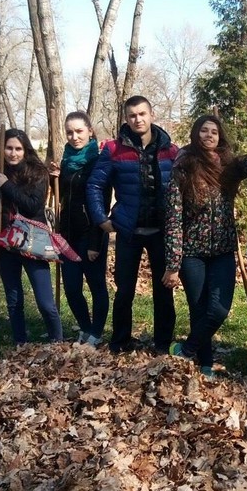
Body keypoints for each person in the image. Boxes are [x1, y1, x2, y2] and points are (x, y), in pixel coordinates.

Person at [162, 98, 247, 377]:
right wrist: (173, 263)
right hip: (192, 252)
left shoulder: (230, 166)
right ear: (195, 134)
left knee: (220, 308)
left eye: (214, 131)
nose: (209, 135)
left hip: (223, 250)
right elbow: (174, 217)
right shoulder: (183, 166)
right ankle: (206, 364)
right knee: (199, 309)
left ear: (219, 136)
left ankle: (187, 349)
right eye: (203, 131)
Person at [86, 96, 178, 354]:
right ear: (126, 119)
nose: (138, 119)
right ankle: (120, 342)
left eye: (142, 114)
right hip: (128, 231)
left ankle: (162, 343)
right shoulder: (114, 149)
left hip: (161, 232)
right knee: (124, 290)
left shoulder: (170, 150)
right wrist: (101, 218)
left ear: (152, 115)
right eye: (132, 115)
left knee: (164, 291)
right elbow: (95, 185)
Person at [0, 128, 63, 346]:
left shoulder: (38, 173)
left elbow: (31, 206)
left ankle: (57, 342)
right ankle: (21, 343)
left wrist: (6, 185)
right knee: (14, 299)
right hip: (7, 243)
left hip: (33, 241)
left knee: (45, 301)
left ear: (25, 149)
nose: (13, 153)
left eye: (18, 148)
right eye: (8, 148)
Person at [52, 111, 109, 346]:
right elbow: (65, 196)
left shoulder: (99, 161)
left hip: (90, 233)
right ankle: (85, 327)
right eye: (69, 132)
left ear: (90, 131)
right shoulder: (66, 161)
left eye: (79, 131)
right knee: (72, 288)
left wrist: (96, 242)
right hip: (68, 234)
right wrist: (53, 178)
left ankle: (97, 331)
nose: (74, 137)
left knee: (96, 285)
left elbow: (102, 203)